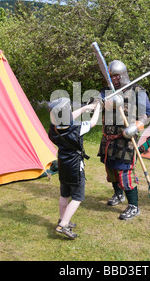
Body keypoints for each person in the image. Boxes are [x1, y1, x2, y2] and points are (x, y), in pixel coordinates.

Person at [98, 60, 150, 220]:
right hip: (108, 137)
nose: (113, 79)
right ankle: (118, 194)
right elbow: (96, 103)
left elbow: (147, 115)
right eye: (110, 76)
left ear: (123, 75)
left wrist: (136, 127)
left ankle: (134, 206)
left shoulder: (138, 91)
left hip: (126, 138)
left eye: (116, 76)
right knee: (111, 170)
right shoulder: (106, 91)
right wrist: (98, 103)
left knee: (124, 173)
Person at [48, 97, 101, 239]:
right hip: (74, 165)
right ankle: (63, 225)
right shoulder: (76, 128)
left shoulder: (53, 128)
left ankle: (62, 218)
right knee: (77, 197)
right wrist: (98, 108)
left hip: (62, 164)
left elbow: (67, 118)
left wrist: (84, 109)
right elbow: (93, 122)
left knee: (64, 194)